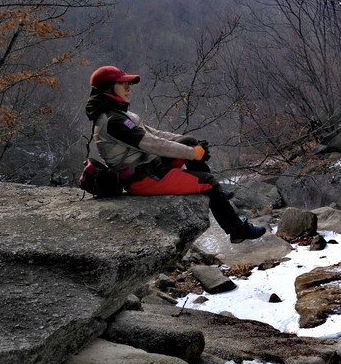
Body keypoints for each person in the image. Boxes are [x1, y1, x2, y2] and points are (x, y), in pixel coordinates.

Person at [85, 65, 265, 242]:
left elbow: (155, 134)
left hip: (152, 167)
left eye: (129, 84)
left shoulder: (120, 114)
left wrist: (192, 146)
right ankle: (237, 230)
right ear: (107, 88)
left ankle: (214, 194)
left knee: (190, 141)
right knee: (208, 182)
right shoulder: (112, 121)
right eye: (123, 84)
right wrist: (192, 154)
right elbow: (152, 144)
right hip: (142, 179)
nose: (128, 88)